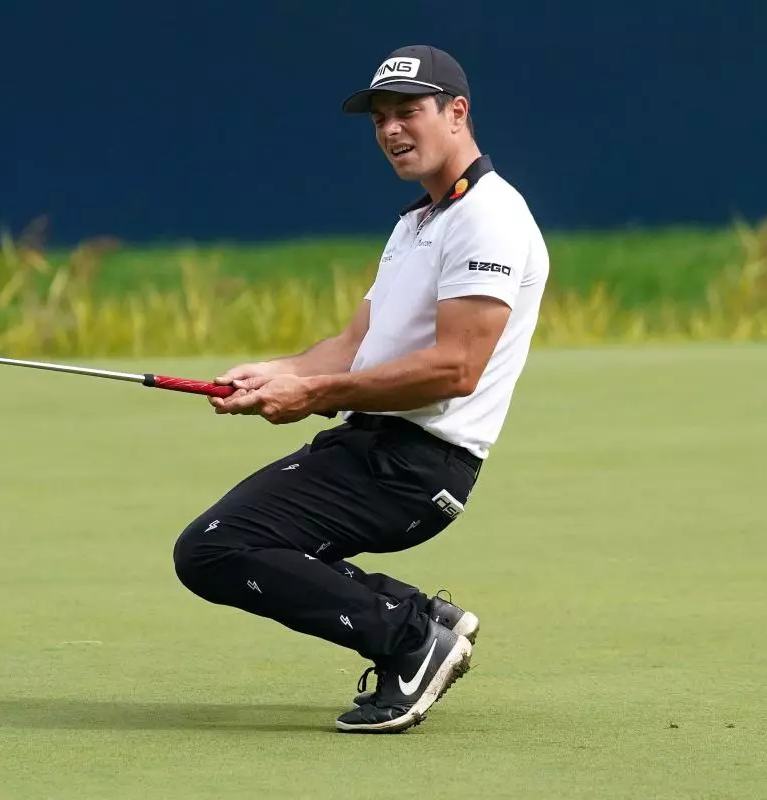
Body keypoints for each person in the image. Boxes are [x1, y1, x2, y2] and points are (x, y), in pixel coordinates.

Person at [172, 44, 550, 734]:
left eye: (407, 112)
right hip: (372, 445)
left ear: (456, 112)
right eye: (379, 118)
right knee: (215, 545)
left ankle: (410, 636)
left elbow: (454, 369)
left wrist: (314, 396)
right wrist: (278, 373)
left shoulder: (489, 217)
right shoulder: (417, 222)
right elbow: (351, 347)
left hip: (418, 466)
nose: (391, 131)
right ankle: (420, 622)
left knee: (216, 549)